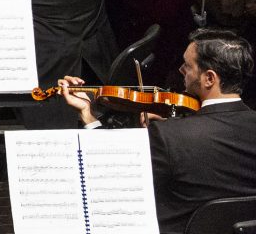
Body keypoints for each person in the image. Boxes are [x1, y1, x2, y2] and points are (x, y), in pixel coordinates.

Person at [56, 29, 256, 233]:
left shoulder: (169, 135)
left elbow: (112, 171)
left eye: (187, 66)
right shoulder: (174, 132)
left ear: (209, 79)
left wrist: (88, 115)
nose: (180, 70)